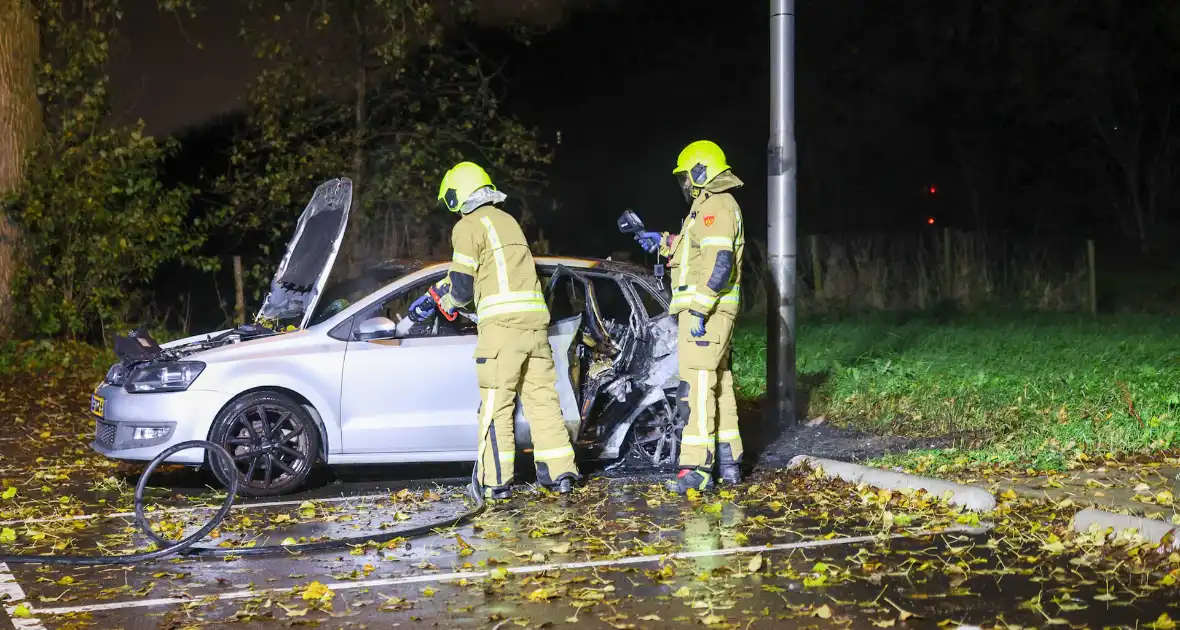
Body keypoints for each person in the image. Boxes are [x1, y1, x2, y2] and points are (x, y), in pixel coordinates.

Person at [408, 161, 580, 499]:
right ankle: (561, 475)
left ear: (458, 196)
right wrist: (439, 293)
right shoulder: (508, 222)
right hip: (535, 327)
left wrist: (451, 303)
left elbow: (461, 287)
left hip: (502, 331)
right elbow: (495, 272)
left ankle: (495, 482)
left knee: (496, 406)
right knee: (542, 401)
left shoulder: (467, 226)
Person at [633, 140, 745, 494]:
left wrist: (699, 308)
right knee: (718, 383)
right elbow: (695, 253)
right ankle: (729, 462)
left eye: (685, 176)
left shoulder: (715, 206)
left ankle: (696, 467)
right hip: (713, 312)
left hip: (706, 314)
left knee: (695, 386)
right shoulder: (709, 208)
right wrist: (665, 242)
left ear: (700, 171)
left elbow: (719, 264)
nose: (684, 183)